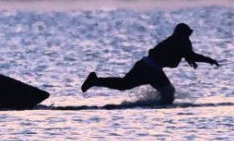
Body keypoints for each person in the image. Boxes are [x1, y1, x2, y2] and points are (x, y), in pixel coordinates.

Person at [80, 22, 219, 104]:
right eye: (187, 34)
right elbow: (189, 55)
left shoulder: (180, 41)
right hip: (148, 68)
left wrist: (195, 59)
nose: (189, 36)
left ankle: (155, 105)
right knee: (125, 85)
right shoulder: (177, 41)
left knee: (168, 93)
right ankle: (95, 80)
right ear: (183, 33)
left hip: (153, 70)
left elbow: (188, 55)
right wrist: (209, 60)